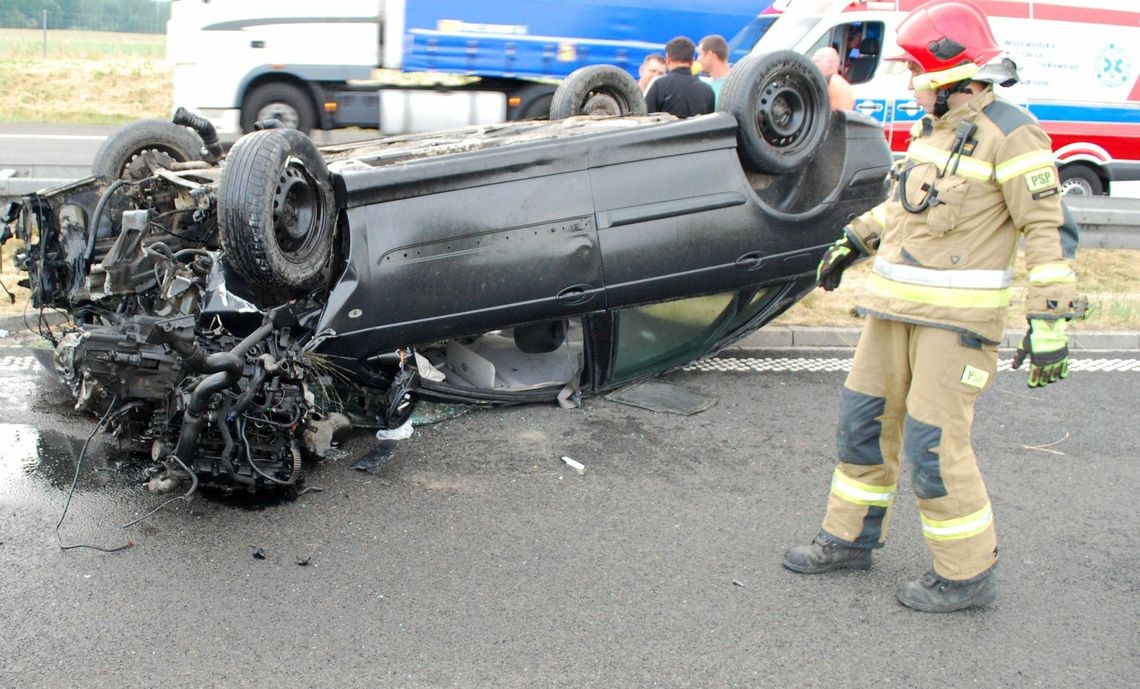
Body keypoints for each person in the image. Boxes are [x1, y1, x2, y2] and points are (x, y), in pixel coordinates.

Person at [783, 0, 1079, 613]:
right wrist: (853, 242)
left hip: (956, 327)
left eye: (915, 74)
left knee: (934, 446)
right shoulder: (933, 134)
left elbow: (1047, 230)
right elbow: (906, 211)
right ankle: (849, 540)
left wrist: (1049, 316)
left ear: (949, 76)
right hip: (892, 313)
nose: (910, 86)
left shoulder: (1013, 133)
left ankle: (967, 575)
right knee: (862, 425)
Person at [644, 36, 715, 118]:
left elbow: (645, 119)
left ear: (668, 59)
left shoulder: (659, 85)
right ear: (692, 61)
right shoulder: (707, 90)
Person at [696, 34, 731, 107]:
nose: (698, 60)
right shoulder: (703, 83)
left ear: (710, 55)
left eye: (700, 54)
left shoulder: (733, 87)